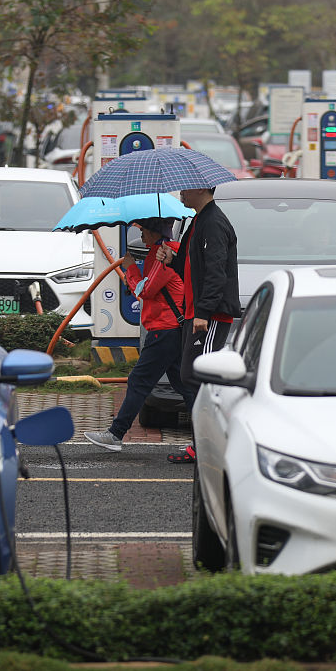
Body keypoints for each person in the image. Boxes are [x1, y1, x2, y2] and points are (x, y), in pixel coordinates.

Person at [84, 218, 190, 452]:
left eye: (144, 231)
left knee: (139, 381)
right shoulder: (161, 251)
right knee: (185, 386)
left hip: (164, 329)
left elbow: (145, 290)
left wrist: (130, 268)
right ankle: (210, 434)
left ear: (156, 232)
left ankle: (115, 434)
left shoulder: (165, 254)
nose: (140, 236)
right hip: (168, 329)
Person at [155, 187, 241, 464]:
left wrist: (203, 313)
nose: (181, 193)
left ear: (201, 188)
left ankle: (214, 441)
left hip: (210, 316)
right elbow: (190, 266)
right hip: (195, 313)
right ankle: (206, 443)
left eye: (186, 188)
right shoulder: (198, 220)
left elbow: (217, 272)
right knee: (193, 376)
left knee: (199, 376)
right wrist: (171, 259)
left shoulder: (214, 222)